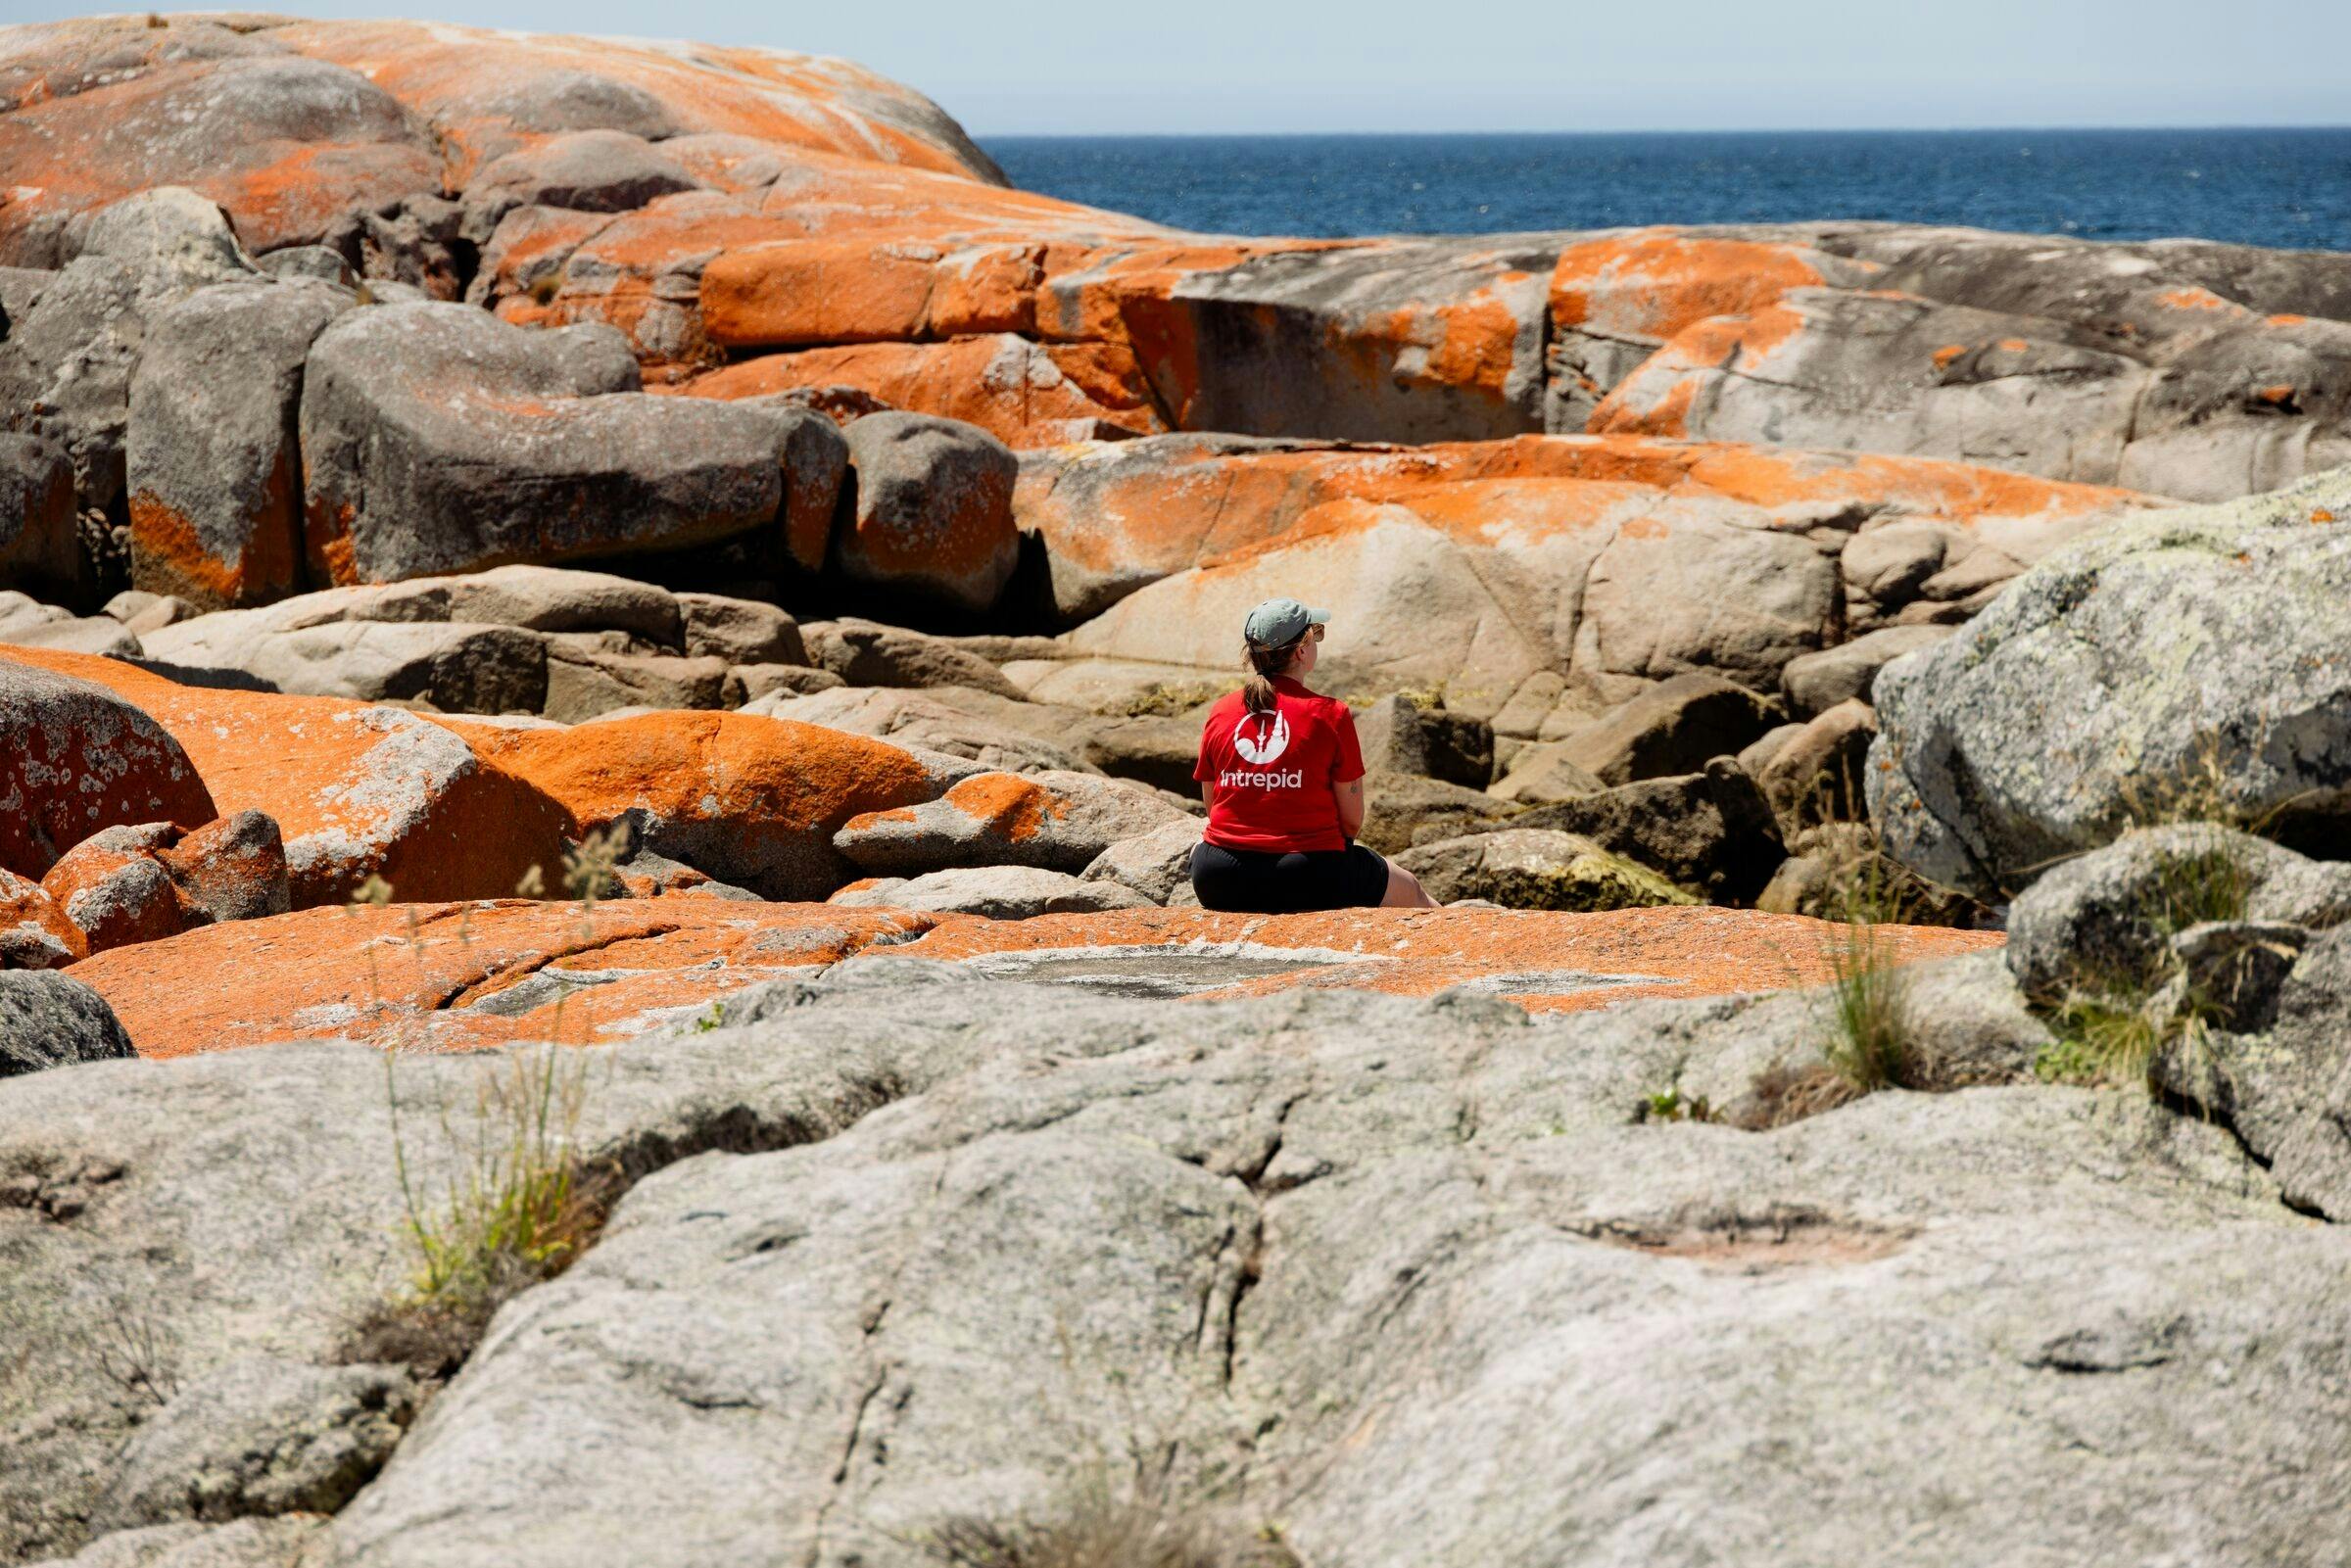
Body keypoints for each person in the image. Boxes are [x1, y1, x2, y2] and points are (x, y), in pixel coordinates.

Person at [1188, 597, 1438, 913]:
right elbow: (1351, 822)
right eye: (1316, 634)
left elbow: (1213, 805)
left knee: (1199, 848)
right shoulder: (1330, 714)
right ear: (1301, 651)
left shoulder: (1221, 710)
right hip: (1307, 873)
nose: (1317, 642)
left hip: (1219, 876)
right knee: (1412, 892)